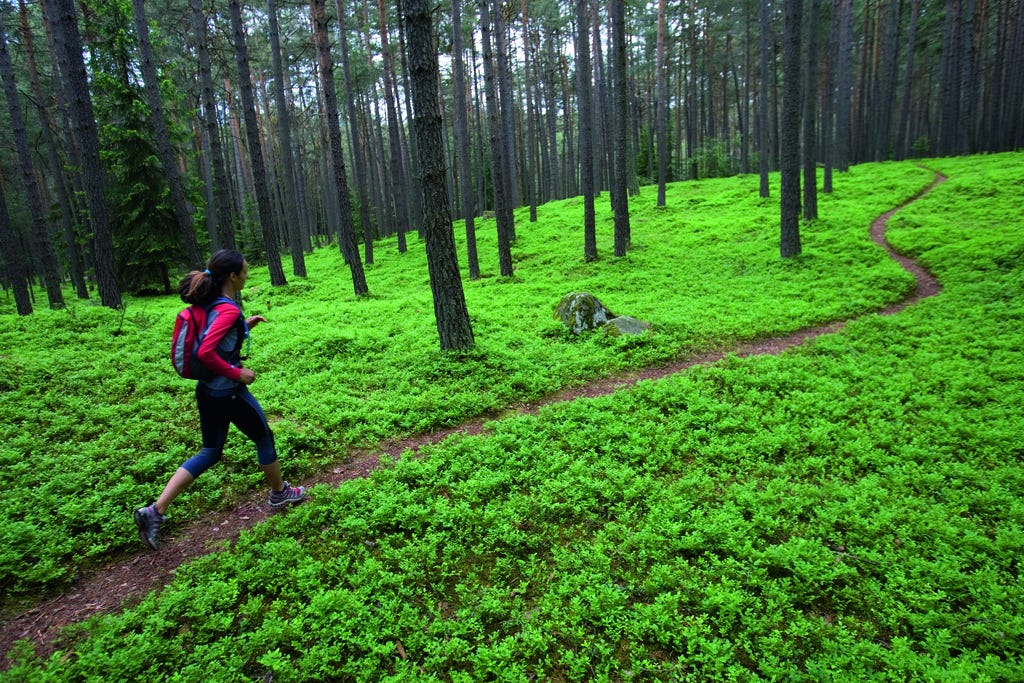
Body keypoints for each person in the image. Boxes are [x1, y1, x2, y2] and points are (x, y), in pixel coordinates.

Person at [135, 250, 305, 550]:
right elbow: (205, 352)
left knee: (211, 451)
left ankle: (155, 510)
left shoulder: (211, 303)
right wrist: (237, 374)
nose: (248, 272)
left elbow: (210, 338)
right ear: (233, 276)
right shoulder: (226, 309)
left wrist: (244, 326)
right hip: (228, 392)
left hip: (207, 391)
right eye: (245, 269)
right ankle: (280, 493)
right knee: (264, 437)